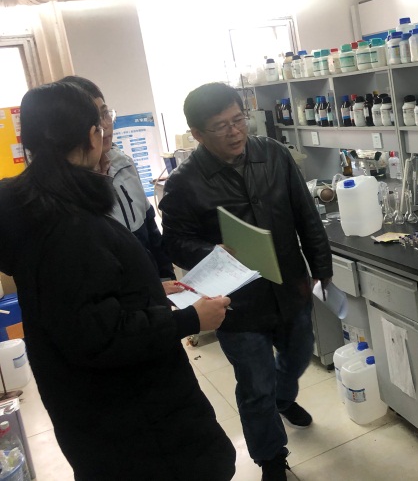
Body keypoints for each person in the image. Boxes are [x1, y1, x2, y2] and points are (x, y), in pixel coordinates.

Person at [0, 81, 235, 481]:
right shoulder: (71, 226)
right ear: (92, 136)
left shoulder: (35, 207)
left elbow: (79, 303)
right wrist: (191, 319)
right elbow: (101, 334)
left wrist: (147, 289)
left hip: (90, 410)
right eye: (102, 119)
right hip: (137, 421)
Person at [160, 82, 333, 481]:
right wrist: (211, 251)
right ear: (197, 134)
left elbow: (305, 213)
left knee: (297, 357)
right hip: (236, 304)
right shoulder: (184, 182)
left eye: (239, 120)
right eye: (221, 126)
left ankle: (283, 398)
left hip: (290, 285)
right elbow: (174, 242)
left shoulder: (272, 153)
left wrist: (320, 267)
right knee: (255, 385)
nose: (235, 131)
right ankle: (271, 458)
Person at [63, 75, 178, 288]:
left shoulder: (124, 164)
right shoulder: (69, 187)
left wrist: (166, 278)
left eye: (105, 113)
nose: (106, 125)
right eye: (95, 119)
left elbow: (150, 230)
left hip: (153, 290)